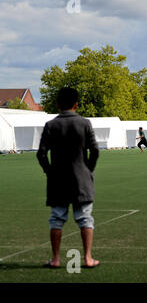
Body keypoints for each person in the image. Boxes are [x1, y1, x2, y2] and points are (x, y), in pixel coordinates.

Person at [37, 87, 100, 269]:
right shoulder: (85, 123)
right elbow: (95, 150)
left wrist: (49, 171)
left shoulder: (51, 125)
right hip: (82, 178)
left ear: (58, 104)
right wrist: (88, 169)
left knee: (56, 219)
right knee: (85, 218)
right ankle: (88, 258)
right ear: (76, 104)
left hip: (58, 179)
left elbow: (41, 154)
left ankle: (56, 259)